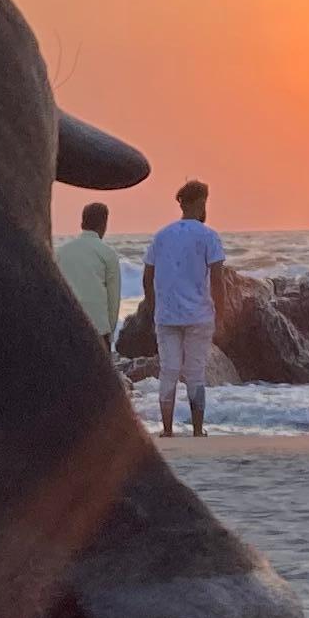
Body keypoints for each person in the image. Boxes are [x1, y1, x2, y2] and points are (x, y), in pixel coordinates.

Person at [142, 181, 229, 438]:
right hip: (199, 315)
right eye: (204, 201)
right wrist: (221, 315)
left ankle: (167, 430)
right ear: (200, 202)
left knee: (168, 370)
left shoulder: (162, 235)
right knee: (195, 372)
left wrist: (152, 307)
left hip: (167, 315)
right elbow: (217, 280)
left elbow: (147, 276)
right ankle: (198, 430)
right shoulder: (208, 236)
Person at [53, 200, 122, 344]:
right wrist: (110, 329)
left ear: (82, 223)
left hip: (67, 324)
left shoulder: (61, 252)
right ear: (104, 224)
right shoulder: (107, 254)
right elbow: (113, 298)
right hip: (98, 325)